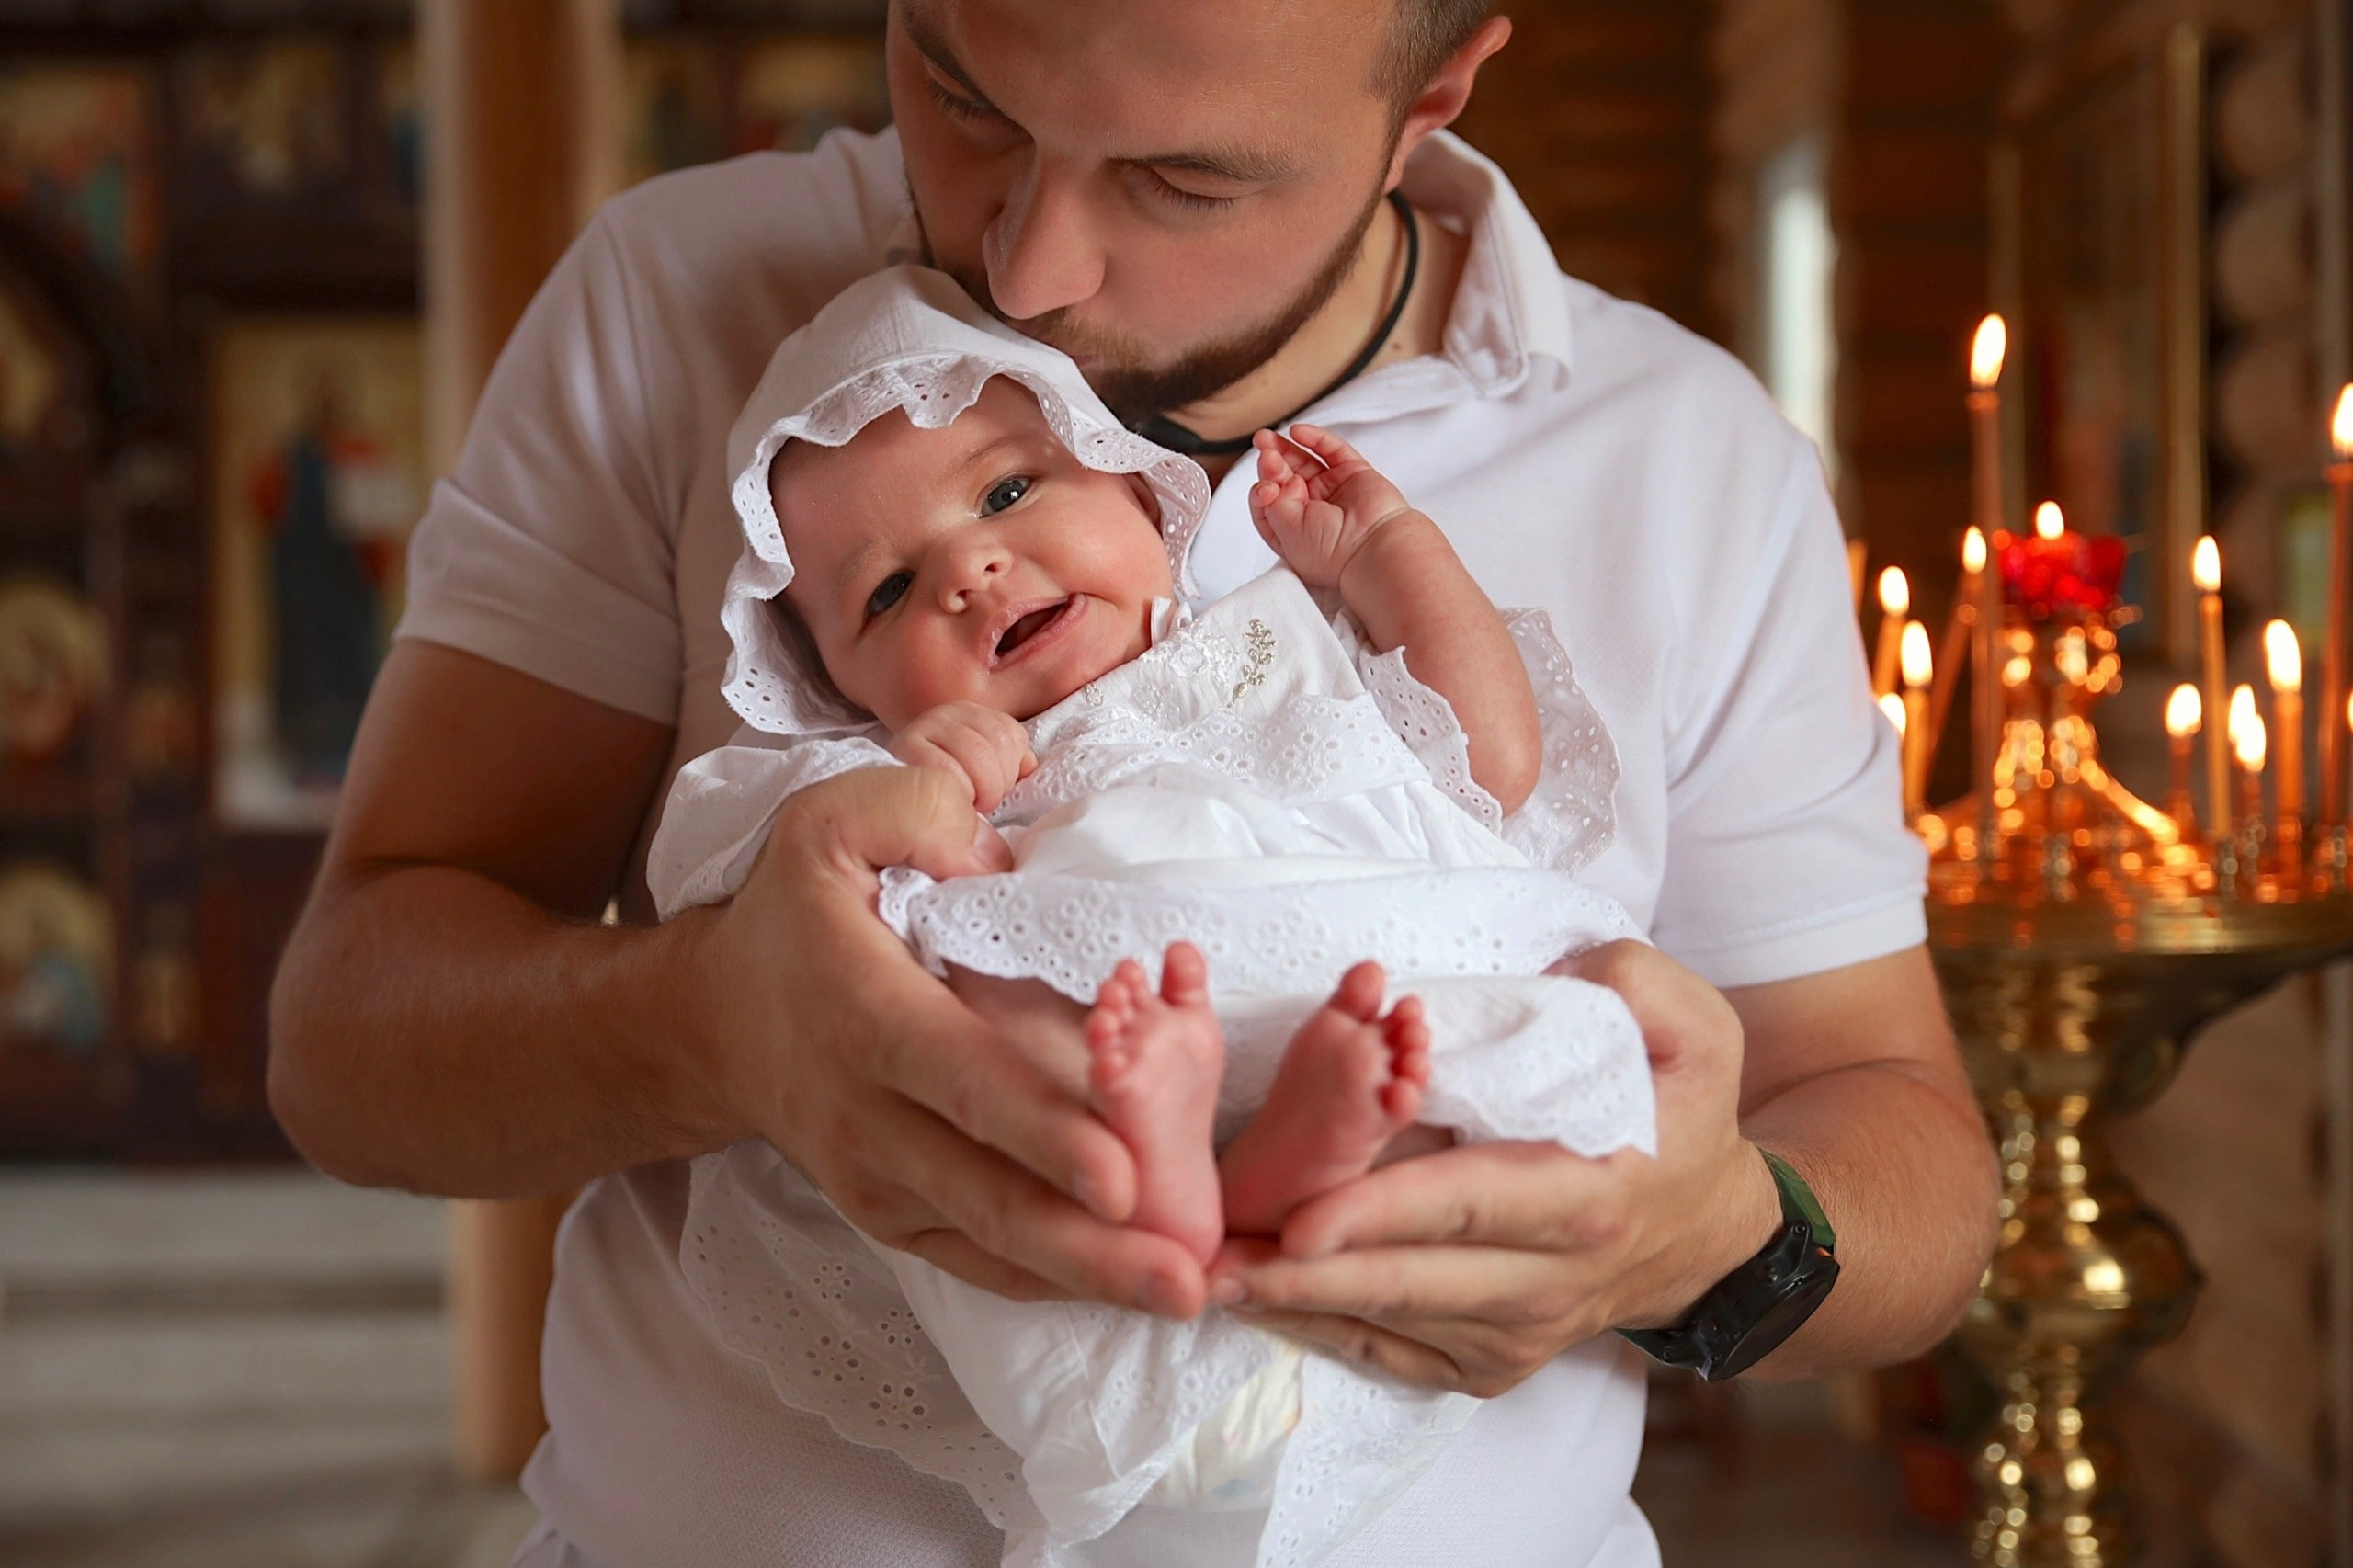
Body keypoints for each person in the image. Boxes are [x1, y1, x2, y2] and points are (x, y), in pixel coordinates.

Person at [267, 3, 2001, 1563]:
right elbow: (349, 1041)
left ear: (1439, 90)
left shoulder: (1689, 455)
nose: (1026, 269)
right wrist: (723, 1029)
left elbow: (1909, 1152)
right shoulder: (681, 300)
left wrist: (1697, 1237)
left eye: (1182, 179)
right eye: (964, 94)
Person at [646, 266, 1657, 1562]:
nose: (972, 568)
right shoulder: (902, 774)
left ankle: (1284, 1163)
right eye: (888, 592)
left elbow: (1487, 758)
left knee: (1480, 1040)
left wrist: (1386, 551)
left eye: (1009, 491)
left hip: (1321, 965)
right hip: (1097, 1074)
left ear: (1135, 486)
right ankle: (1188, 1169)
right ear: (828, 685)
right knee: (963, 987)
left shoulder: (1271, 651)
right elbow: (732, 883)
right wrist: (921, 785)